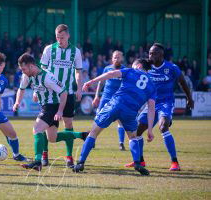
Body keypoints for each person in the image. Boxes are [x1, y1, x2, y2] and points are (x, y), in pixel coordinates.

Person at [72, 59, 156, 176]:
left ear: (139, 66)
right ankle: (137, 163)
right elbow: (151, 108)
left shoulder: (131, 71)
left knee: (93, 132)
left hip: (116, 104)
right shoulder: (152, 85)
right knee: (133, 137)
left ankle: (81, 162)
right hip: (131, 111)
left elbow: (111, 74)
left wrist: (92, 81)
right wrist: (150, 129)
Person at [125, 43, 194, 171]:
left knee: (163, 126)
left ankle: (175, 162)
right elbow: (135, 68)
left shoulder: (171, 68)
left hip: (166, 103)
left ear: (161, 55)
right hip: (151, 104)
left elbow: (183, 82)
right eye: (150, 53)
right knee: (137, 131)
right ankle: (140, 161)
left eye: (154, 53)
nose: (151, 55)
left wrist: (189, 99)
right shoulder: (146, 66)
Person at [13, 53, 88, 170]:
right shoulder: (27, 76)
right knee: (52, 138)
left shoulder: (47, 76)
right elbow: (21, 89)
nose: (22, 72)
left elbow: (63, 92)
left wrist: (60, 111)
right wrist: (17, 102)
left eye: (24, 69)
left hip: (51, 106)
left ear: (31, 66)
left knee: (37, 129)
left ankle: (37, 162)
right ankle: (83, 135)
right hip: (46, 106)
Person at [39, 24, 83, 166]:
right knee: (46, 124)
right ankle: (44, 154)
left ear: (68, 36)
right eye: (57, 37)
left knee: (68, 123)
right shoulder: (49, 49)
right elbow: (42, 71)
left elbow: (78, 71)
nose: (59, 40)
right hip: (50, 93)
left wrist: (79, 88)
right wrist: (38, 89)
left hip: (68, 92)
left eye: (62, 37)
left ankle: (69, 156)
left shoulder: (75, 52)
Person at [92, 50, 127, 151]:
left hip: (118, 99)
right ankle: (92, 140)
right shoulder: (107, 69)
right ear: (112, 58)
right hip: (106, 98)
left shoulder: (125, 70)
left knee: (120, 121)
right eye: (115, 57)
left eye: (118, 57)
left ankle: (121, 143)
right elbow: (101, 82)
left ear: (122, 58)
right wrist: (96, 96)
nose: (116, 59)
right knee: (98, 118)